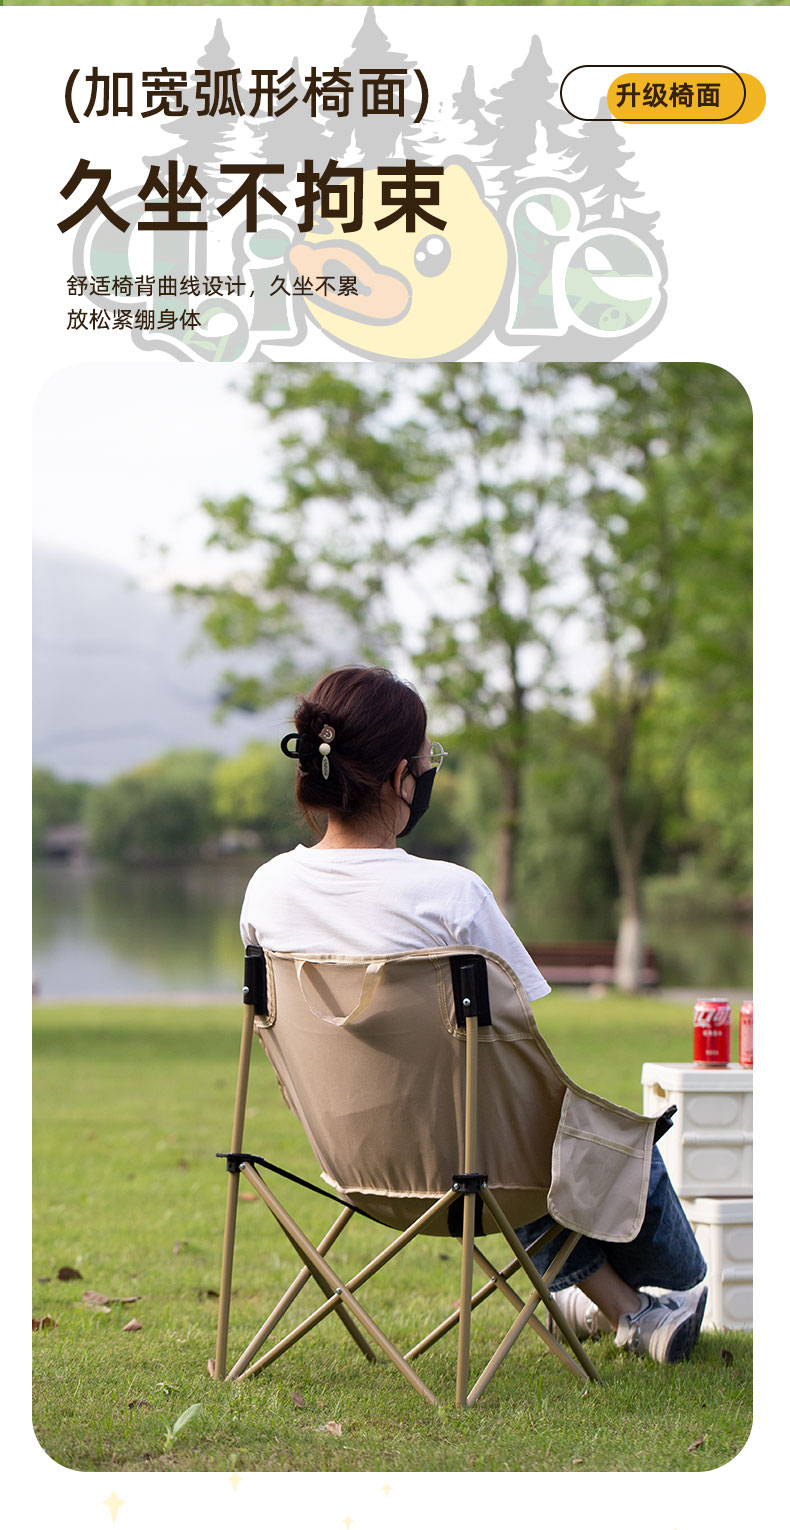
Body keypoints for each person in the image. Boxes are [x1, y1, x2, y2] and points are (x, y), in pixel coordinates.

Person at [240, 664, 707, 1365]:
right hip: (478, 1175)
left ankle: (626, 1312)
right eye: (427, 758)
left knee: (501, 1135)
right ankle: (657, 1302)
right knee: (559, 1139)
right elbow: (521, 1038)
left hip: (349, 1161)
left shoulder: (267, 891)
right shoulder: (451, 895)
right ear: (402, 777)